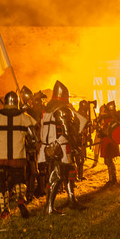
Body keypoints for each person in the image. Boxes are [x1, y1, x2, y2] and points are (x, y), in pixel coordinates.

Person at [0, 91, 37, 219]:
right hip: (18, 155)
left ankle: (5, 211)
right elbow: (33, 138)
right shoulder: (25, 117)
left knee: (0, 183)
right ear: (16, 102)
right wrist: (30, 150)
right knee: (19, 179)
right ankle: (21, 198)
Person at [41, 81, 85, 213]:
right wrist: (76, 147)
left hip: (50, 146)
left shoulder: (48, 109)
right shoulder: (62, 110)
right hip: (60, 147)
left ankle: (72, 200)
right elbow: (67, 131)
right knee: (57, 176)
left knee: (70, 171)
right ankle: (49, 208)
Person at [20, 86, 46, 199]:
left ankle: (40, 189)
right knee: (31, 171)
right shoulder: (26, 112)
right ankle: (29, 193)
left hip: (39, 143)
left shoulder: (35, 112)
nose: (39, 104)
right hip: (28, 145)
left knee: (40, 169)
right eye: (37, 102)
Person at [95, 101, 120, 186]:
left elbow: (108, 132)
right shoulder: (107, 118)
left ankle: (113, 179)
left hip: (110, 142)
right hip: (106, 142)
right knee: (108, 161)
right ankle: (112, 178)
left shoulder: (112, 120)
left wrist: (100, 131)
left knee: (109, 161)